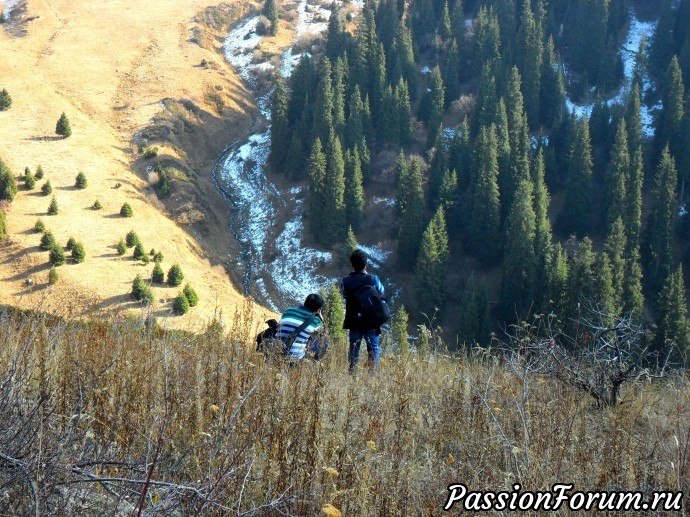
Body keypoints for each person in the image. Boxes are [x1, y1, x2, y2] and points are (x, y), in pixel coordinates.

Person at [340, 249, 385, 373]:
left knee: (354, 348)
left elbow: (344, 295)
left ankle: (352, 373)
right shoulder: (373, 279)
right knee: (373, 349)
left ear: (352, 264)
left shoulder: (345, 281)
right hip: (371, 319)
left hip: (353, 319)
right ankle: (372, 376)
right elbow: (381, 291)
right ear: (366, 264)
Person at [276, 293, 325, 361]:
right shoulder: (316, 321)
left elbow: (278, 326)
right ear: (318, 309)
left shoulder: (288, 311)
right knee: (322, 340)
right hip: (293, 359)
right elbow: (322, 333)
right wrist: (320, 316)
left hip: (275, 350)